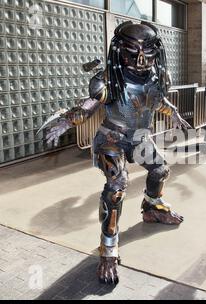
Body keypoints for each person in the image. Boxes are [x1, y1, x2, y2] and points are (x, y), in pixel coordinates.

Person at [39, 22, 190, 284]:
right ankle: (108, 250)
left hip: (140, 138)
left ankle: (152, 207)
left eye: (148, 53)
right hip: (112, 138)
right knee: (117, 185)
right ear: (120, 50)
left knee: (161, 170)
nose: (141, 60)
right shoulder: (107, 79)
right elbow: (86, 108)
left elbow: (157, 100)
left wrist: (174, 113)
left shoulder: (158, 77)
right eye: (133, 53)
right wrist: (66, 122)